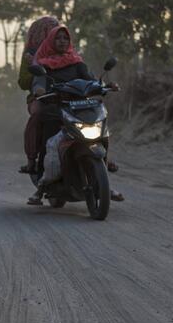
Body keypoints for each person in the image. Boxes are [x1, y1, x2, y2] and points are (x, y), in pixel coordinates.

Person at [28, 25, 124, 205]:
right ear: (51, 41)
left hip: (81, 108)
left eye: (65, 38)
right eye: (58, 38)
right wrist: (39, 89)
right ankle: (41, 187)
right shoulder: (43, 65)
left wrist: (107, 86)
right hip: (56, 108)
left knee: (101, 131)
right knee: (49, 141)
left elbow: (91, 80)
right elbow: (38, 82)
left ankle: (104, 175)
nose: (62, 41)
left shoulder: (77, 62)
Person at [18, 16, 59, 174]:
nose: (51, 36)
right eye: (47, 32)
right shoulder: (30, 55)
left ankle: (103, 157)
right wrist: (33, 68)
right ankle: (31, 159)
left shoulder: (66, 50)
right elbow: (22, 82)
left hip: (65, 95)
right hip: (40, 97)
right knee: (37, 115)